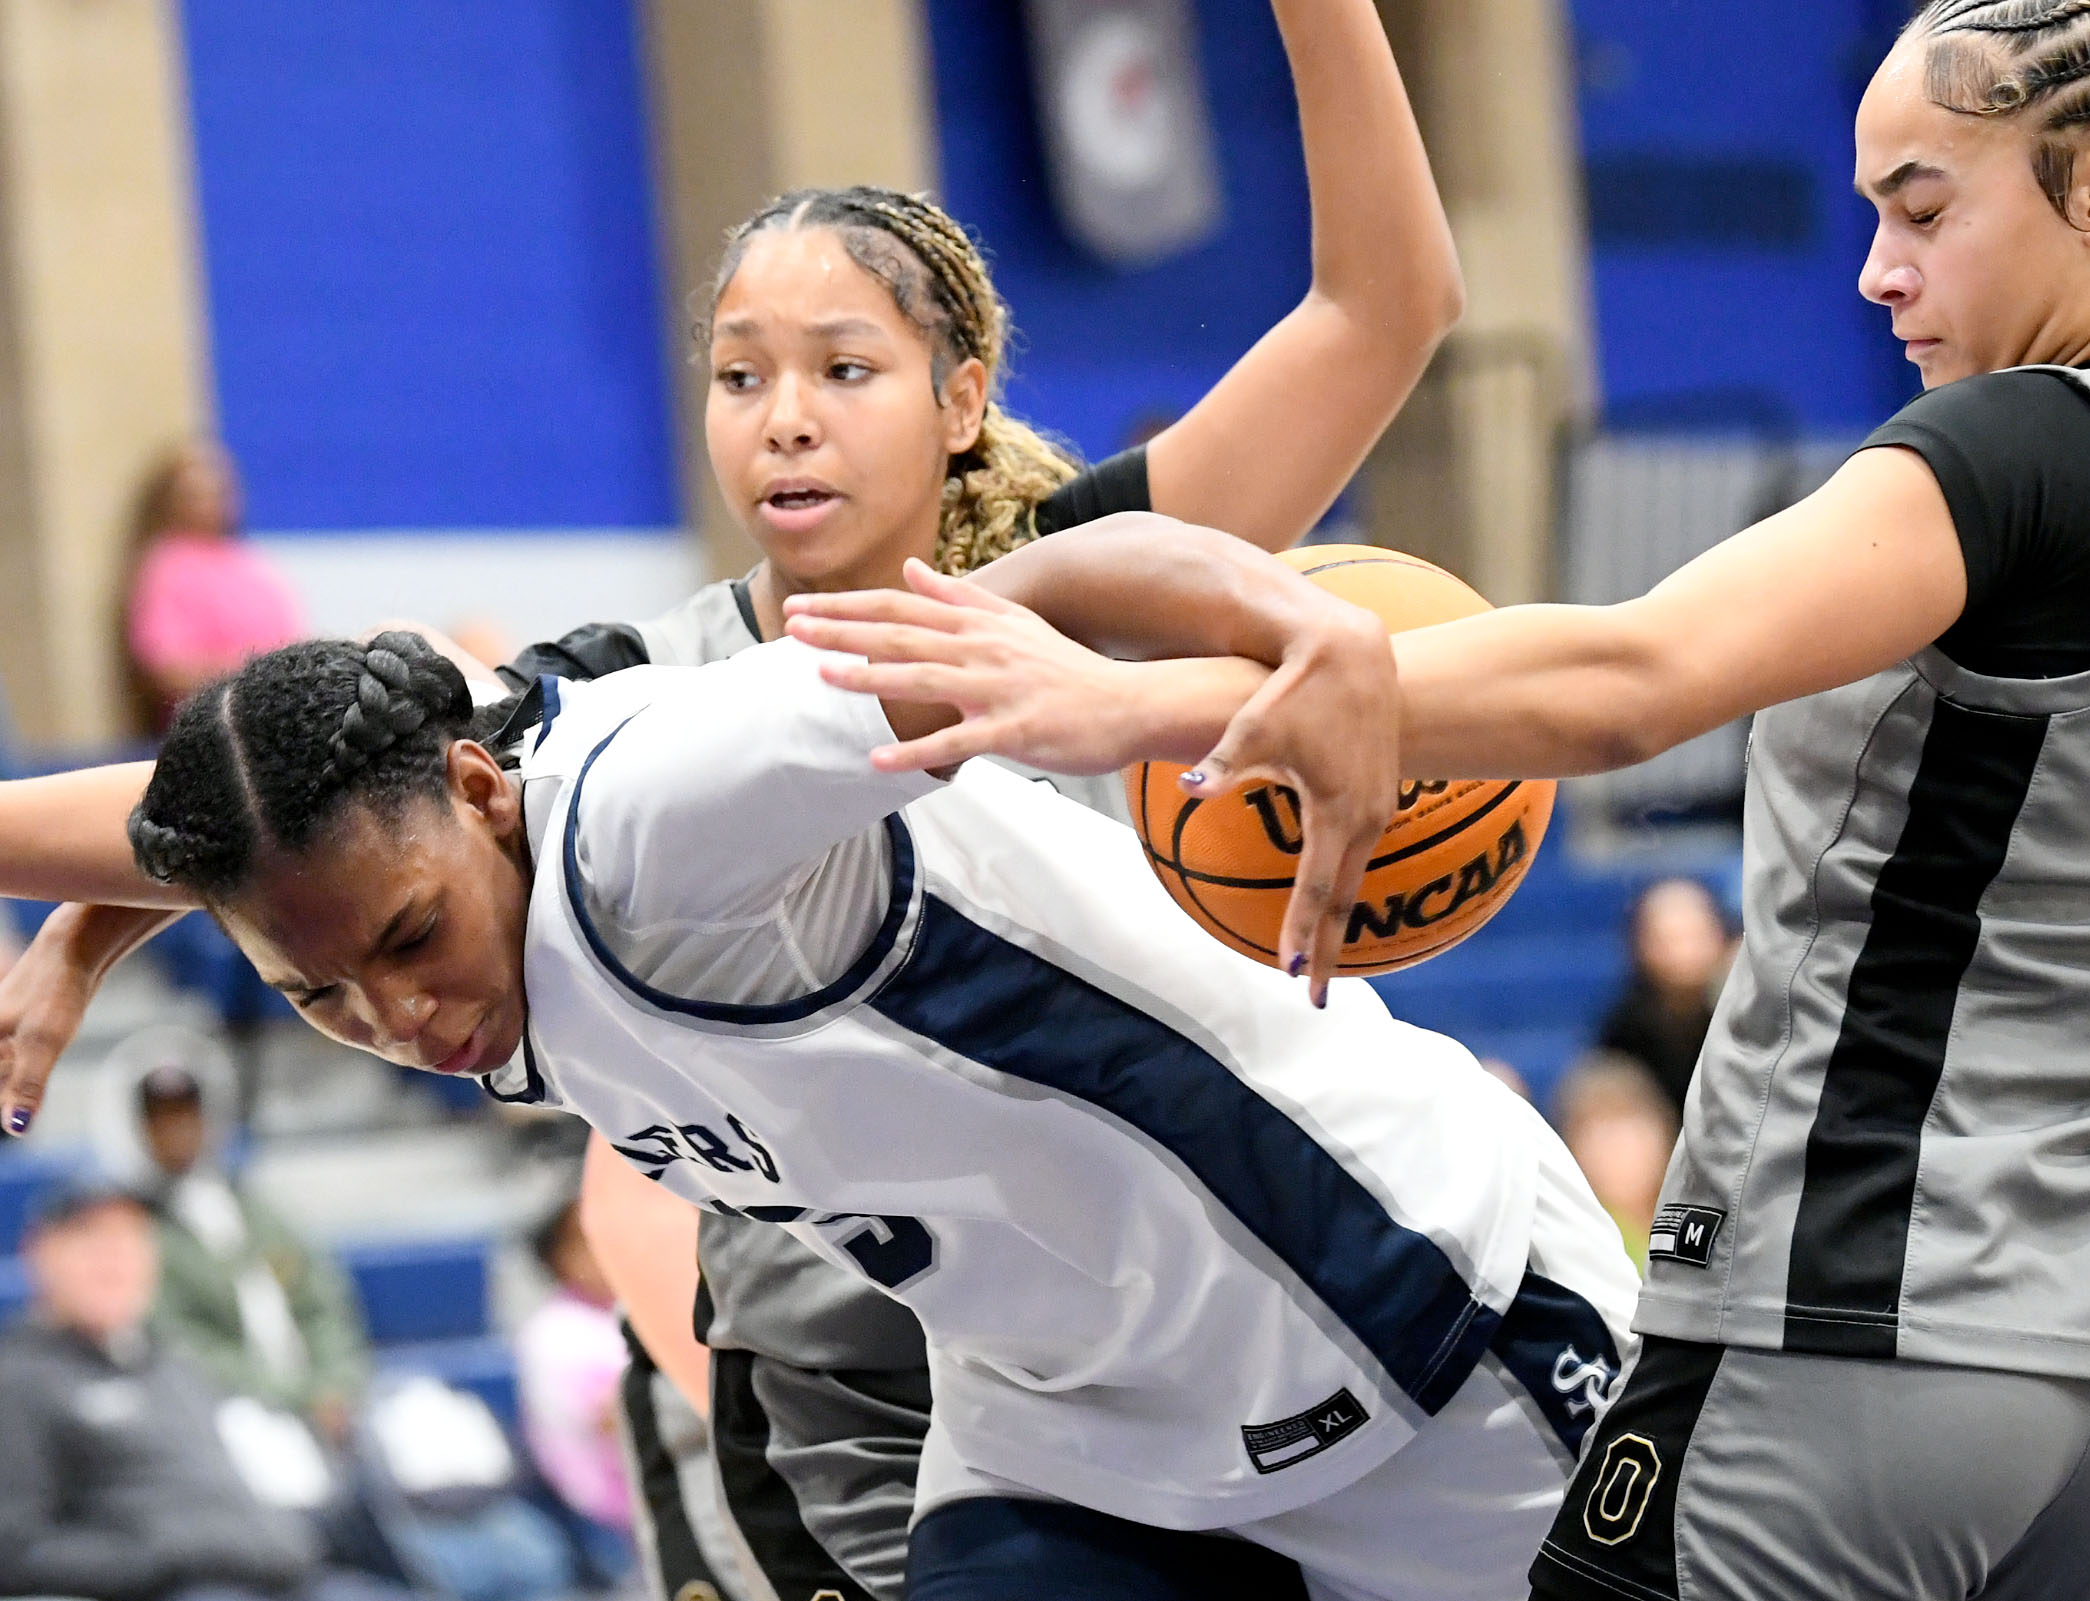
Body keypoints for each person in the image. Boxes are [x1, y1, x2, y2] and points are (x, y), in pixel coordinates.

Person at [774, 1, 2090, 1594]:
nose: (1876, 269)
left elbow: (1631, 675)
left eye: (1922, 209)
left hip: (1874, 1317)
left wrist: (1141, 703)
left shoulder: (2024, 443)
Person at [0, 3, 1464, 1594]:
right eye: (739, 374)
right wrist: (99, 915)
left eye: (845, 368)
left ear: (961, 399)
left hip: (1170, 1326)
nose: (785, 416)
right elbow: (288, 790)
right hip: (844, 1398)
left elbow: (1385, 307)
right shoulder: (636, 690)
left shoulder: (1088, 580)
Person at [0, 1172, 414, 1601]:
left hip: (281, 1572)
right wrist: (153, 1556)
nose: (114, 1258)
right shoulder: (20, 1380)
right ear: (40, 1253)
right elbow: (14, 1550)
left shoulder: (176, 1366)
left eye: (130, 1238)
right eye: (91, 1238)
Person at [119, 1031, 373, 1437]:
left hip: (320, 1403)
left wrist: (336, 1383)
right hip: (224, 1415)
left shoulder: (255, 1210)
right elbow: (179, 1344)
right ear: (139, 1130)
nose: (177, 1129)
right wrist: (299, 1397)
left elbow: (321, 1302)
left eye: (186, 1114)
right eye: (161, 1119)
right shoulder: (133, 1229)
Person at [121, 438, 307, 733]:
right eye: (194, 494)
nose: (210, 503)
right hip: (209, 729)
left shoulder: (249, 563)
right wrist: (250, 673)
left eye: (217, 491)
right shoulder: (166, 568)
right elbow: (166, 667)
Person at [514, 1195, 635, 1576]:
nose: (604, 1249)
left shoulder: (632, 1309)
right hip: (606, 1514)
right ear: (557, 1257)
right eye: (585, 1242)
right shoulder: (557, 1331)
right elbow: (616, 1417)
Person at [1588, 879, 1732, 1115]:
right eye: (1668, 938)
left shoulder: (1753, 1018)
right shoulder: (1623, 1032)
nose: (1682, 952)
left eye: (1693, 935)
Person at [1551, 1053, 1677, 1270]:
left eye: (1631, 1124)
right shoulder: (1574, 1245)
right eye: (1602, 1134)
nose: (1619, 1149)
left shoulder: (1698, 1218)